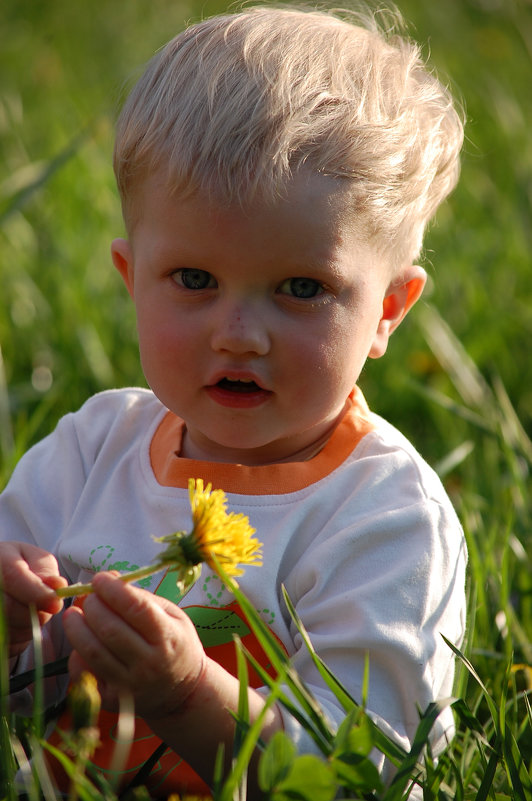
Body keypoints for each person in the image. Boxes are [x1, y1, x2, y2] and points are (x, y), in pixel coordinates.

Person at [1, 5, 467, 798]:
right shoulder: (89, 453)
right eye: (193, 280)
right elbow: (21, 693)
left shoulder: (384, 515)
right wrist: (13, 620)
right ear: (131, 278)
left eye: (301, 288)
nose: (239, 333)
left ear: (388, 310)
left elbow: (362, 771)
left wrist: (188, 691)